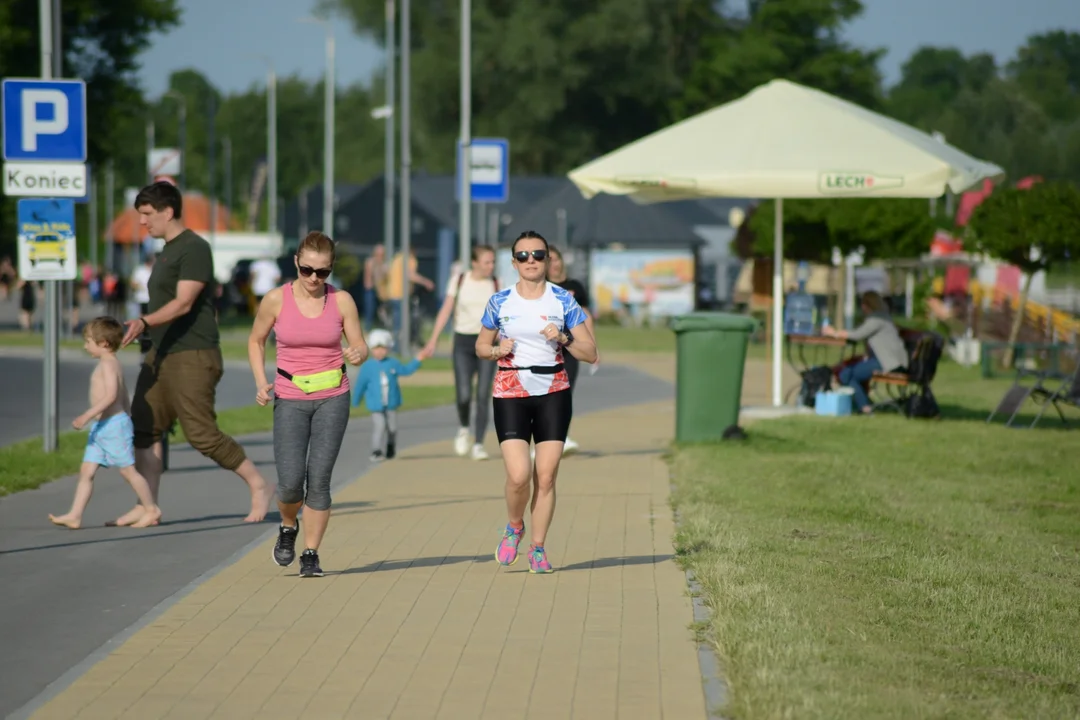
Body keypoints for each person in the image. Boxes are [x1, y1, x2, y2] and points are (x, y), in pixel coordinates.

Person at [115, 181, 273, 527]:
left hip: (193, 354)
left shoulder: (194, 248)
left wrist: (143, 321)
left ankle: (259, 485)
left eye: (146, 214)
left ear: (167, 211)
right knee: (144, 427)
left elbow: (184, 303)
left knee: (201, 434)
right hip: (160, 354)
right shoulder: (166, 251)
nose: (142, 222)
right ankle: (148, 506)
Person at [476, 231, 598, 574]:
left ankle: (538, 548)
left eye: (538, 255)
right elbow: (481, 346)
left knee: (545, 477)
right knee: (519, 476)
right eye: (524, 255)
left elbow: (590, 353)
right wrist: (497, 350)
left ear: (547, 260)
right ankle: (515, 525)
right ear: (514, 262)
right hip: (511, 389)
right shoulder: (499, 301)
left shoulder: (563, 300)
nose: (531, 261)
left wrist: (563, 336)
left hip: (553, 390)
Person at [248, 231, 368, 578]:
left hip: (333, 396)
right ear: (296, 264)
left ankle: (311, 554)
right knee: (289, 483)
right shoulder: (275, 299)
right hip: (289, 397)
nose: (315, 278)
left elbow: (359, 346)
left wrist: (357, 353)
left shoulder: (342, 301)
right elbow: (256, 341)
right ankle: (288, 526)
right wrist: (260, 381)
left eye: (323, 272)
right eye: (308, 270)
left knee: (319, 480)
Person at [49, 318, 162, 529]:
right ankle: (75, 514)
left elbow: (111, 396)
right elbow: (124, 395)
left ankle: (150, 508)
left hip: (113, 426)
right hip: (102, 427)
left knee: (128, 471)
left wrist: (86, 416)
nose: (85, 346)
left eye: (88, 341)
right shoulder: (107, 363)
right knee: (87, 471)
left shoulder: (109, 364)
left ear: (103, 343)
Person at [422, 245, 499, 461]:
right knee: (464, 393)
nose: (491, 266)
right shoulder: (459, 280)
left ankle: (479, 443)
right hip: (463, 342)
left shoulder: (495, 284)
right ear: (474, 262)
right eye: (487, 262)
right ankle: (464, 427)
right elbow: (446, 309)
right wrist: (433, 340)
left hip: (487, 342)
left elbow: (503, 315)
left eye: (493, 262)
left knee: (483, 394)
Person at [822, 291, 909, 415]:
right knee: (849, 372)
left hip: (887, 363)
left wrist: (833, 333)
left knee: (846, 373)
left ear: (867, 305)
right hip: (889, 361)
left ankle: (865, 406)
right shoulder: (882, 317)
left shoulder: (876, 319)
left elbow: (857, 335)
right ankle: (864, 404)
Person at [546, 246, 597, 455]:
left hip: (572, 347)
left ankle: (561, 437)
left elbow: (586, 316)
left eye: (556, 259)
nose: (554, 264)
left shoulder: (574, 286)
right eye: (549, 260)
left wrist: (592, 345)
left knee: (565, 394)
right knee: (547, 395)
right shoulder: (543, 288)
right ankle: (544, 439)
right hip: (549, 348)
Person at [352, 329, 428, 462]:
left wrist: (417, 360)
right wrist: (355, 400)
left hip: (391, 403)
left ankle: (390, 447)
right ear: (371, 349)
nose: (380, 352)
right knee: (380, 425)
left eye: (383, 348)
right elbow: (360, 385)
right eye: (376, 348)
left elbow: (406, 371)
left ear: (388, 348)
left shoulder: (393, 363)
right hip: (375, 404)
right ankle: (376, 450)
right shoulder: (367, 367)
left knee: (392, 427)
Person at [385, 249, 434, 341]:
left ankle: (396, 344)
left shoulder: (397, 258)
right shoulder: (410, 259)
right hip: (401, 294)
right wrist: (426, 282)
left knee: (396, 322)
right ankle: (399, 346)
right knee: (403, 323)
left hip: (392, 293)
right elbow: (411, 275)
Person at [362, 244, 386, 331]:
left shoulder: (383, 264)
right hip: (371, 289)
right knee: (369, 310)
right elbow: (373, 275)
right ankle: (367, 329)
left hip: (380, 291)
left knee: (382, 311)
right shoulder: (370, 262)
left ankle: (380, 327)